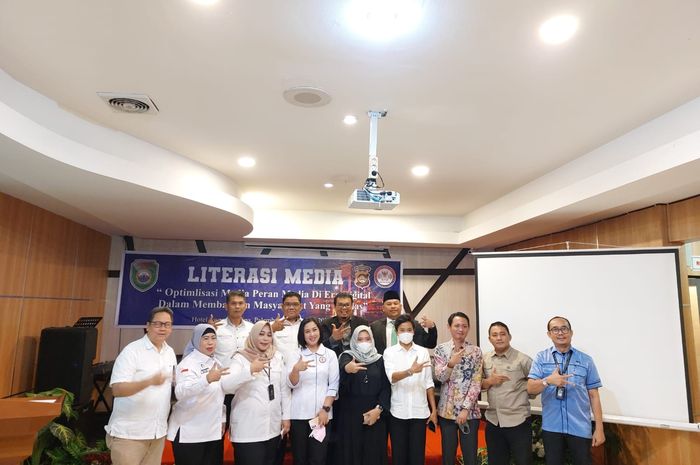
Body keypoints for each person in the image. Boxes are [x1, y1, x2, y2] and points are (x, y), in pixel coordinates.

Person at [527, 316, 605, 465]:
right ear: (549, 334)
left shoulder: (586, 360)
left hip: (580, 427)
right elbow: (530, 388)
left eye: (564, 328)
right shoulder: (541, 358)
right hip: (552, 427)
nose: (560, 332)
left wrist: (599, 428)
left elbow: (594, 395)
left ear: (571, 332)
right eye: (555, 329)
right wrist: (548, 381)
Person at [105, 307, 177, 465]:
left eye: (167, 324)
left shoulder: (170, 352)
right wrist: (148, 381)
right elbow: (117, 389)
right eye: (158, 324)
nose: (163, 328)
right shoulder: (132, 351)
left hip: (157, 434)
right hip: (129, 435)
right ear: (147, 326)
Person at [221, 321, 291, 465]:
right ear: (253, 335)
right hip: (248, 430)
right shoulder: (240, 357)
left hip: (273, 428)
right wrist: (250, 370)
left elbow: (284, 390)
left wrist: (286, 417)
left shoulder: (277, 357)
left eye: (269, 335)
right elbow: (226, 386)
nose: (265, 338)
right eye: (261, 334)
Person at [167, 324, 229, 465]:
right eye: (205, 338)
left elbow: (219, 395)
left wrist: (222, 419)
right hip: (189, 434)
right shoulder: (187, 364)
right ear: (196, 340)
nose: (210, 342)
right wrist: (206, 379)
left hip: (212, 433)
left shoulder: (216, 362)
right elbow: (180, 392)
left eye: (213, 338)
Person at [383, 314, 437, 465]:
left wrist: (433, 410)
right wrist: (410, 371)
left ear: (413, 331)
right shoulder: (389, 352)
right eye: (402, 330)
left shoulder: (422, 352)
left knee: (417, 457)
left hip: (420, 411)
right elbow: (392, 377)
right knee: (399, 456)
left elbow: (429, 383)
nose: (406, 333)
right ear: (397, 332)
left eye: (409, 330)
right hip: (398, 412)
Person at [432, 312, 483, 465]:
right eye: (457, 326)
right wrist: (450, 364)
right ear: (449, 327)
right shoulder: (441, 349)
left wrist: (466, 409)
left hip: (470, 413)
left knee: (470, 456)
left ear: (468, 328)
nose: (461, 329)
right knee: (448, 456)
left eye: (464, 326)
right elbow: (440, 378)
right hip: (446, 412)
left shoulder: (475, 351)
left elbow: (476, 382)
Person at [288, 317, 339, 465]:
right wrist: (296, 370)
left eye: (314, 330)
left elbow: (333, 385)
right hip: (298, 415)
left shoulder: (330, 354)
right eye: (307, 331)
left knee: (318, 458)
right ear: (302, 335)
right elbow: (291, 384)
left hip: (322, 416)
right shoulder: (295, 355)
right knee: (300, 458)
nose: (312, 334)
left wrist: (325, 409)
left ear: (320, 331)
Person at [337, 325, 391, 465]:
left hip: (374, 414)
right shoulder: (347, 356)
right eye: (360, 339)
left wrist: (379, 409)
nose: (364, 342)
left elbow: (386, 388)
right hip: (351, 415)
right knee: (352, 453)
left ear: (372, 340)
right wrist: (347, 369)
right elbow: (340, 382)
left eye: (367, 339)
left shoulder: (379, 359)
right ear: (354, 341)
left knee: (373, 453)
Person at [481, 321, 533, 465]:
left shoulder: (523, 359)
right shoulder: (484, 359)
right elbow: (477, 386)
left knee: (524, 462)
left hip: (518, 421)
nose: (499, 338)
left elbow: (536, 384)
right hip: (493, 421)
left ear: (509, 337)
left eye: (502, 334)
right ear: (489, 339)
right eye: (494, 335)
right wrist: (489, 381)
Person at [370, 290, 437, 354]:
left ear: (401, 306)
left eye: (395, 303)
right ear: (383, 308)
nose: (393, 306)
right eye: (389, 304)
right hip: (384, 361)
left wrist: (432, 327)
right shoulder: (375, 327)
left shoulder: (414, 325)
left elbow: (430, 344)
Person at [321, 292, 369, 357]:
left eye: (347, 305)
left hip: (357, 359)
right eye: (340, 305)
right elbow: (321, 348)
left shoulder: (362, 323)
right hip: (335, 359)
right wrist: (333, 339)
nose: (344, 308)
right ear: (335, 306)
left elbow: (368, 345)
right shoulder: (326, 324)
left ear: (352, 306)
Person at [272, 291, 304, 362]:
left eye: (295, 304)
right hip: (279, 367)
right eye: (287, 304)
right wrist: (272, 329)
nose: (291, 307)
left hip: (302, 367)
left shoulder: (307, 326)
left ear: (301, 307)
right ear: (282, 307)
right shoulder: (272, 326)